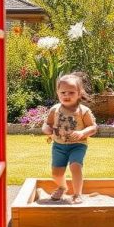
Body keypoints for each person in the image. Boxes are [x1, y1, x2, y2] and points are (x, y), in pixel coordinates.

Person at [42, 73, 97, 203]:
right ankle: (62, 187)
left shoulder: (83, 111)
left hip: (78, 145)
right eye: (63, 92)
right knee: (56, 173)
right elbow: (47, 124)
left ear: (79, 93)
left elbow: (93, 127)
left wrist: (83, 132)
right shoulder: (54, 109)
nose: (66, 95)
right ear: (58, 93)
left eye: (71, 92)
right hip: (58, 145)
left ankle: (77, 194)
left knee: (75, 166)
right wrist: (46, 129)